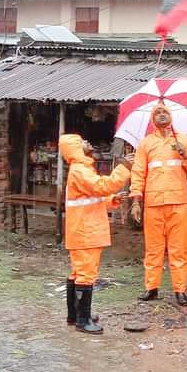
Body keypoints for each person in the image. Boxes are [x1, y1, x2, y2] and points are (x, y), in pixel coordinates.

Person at [130, 103, 187, 306]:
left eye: (165, 112)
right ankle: (151, 288)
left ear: (171, 117)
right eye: (157, 113)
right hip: (153, 204)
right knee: (153, 249)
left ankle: (180, 290)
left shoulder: (183, 140)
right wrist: (136, 201)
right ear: (152, 119)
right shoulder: (145, 144)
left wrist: (184, 155)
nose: (161, 115)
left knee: (178, 249)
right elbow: (138, 173)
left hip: (177, 203)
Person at [60, 134, 133, 334]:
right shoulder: (80, 170)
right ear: (76, 149)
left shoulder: (81, 169)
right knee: (86, 274)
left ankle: (75, 315)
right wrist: (124, 167)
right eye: (82, 142)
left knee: (78, 273)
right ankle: (83, 320)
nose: (88, 142)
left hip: (83, 230)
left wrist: (112, 200)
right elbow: (102, 187)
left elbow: (92, 197)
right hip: (86, 231)